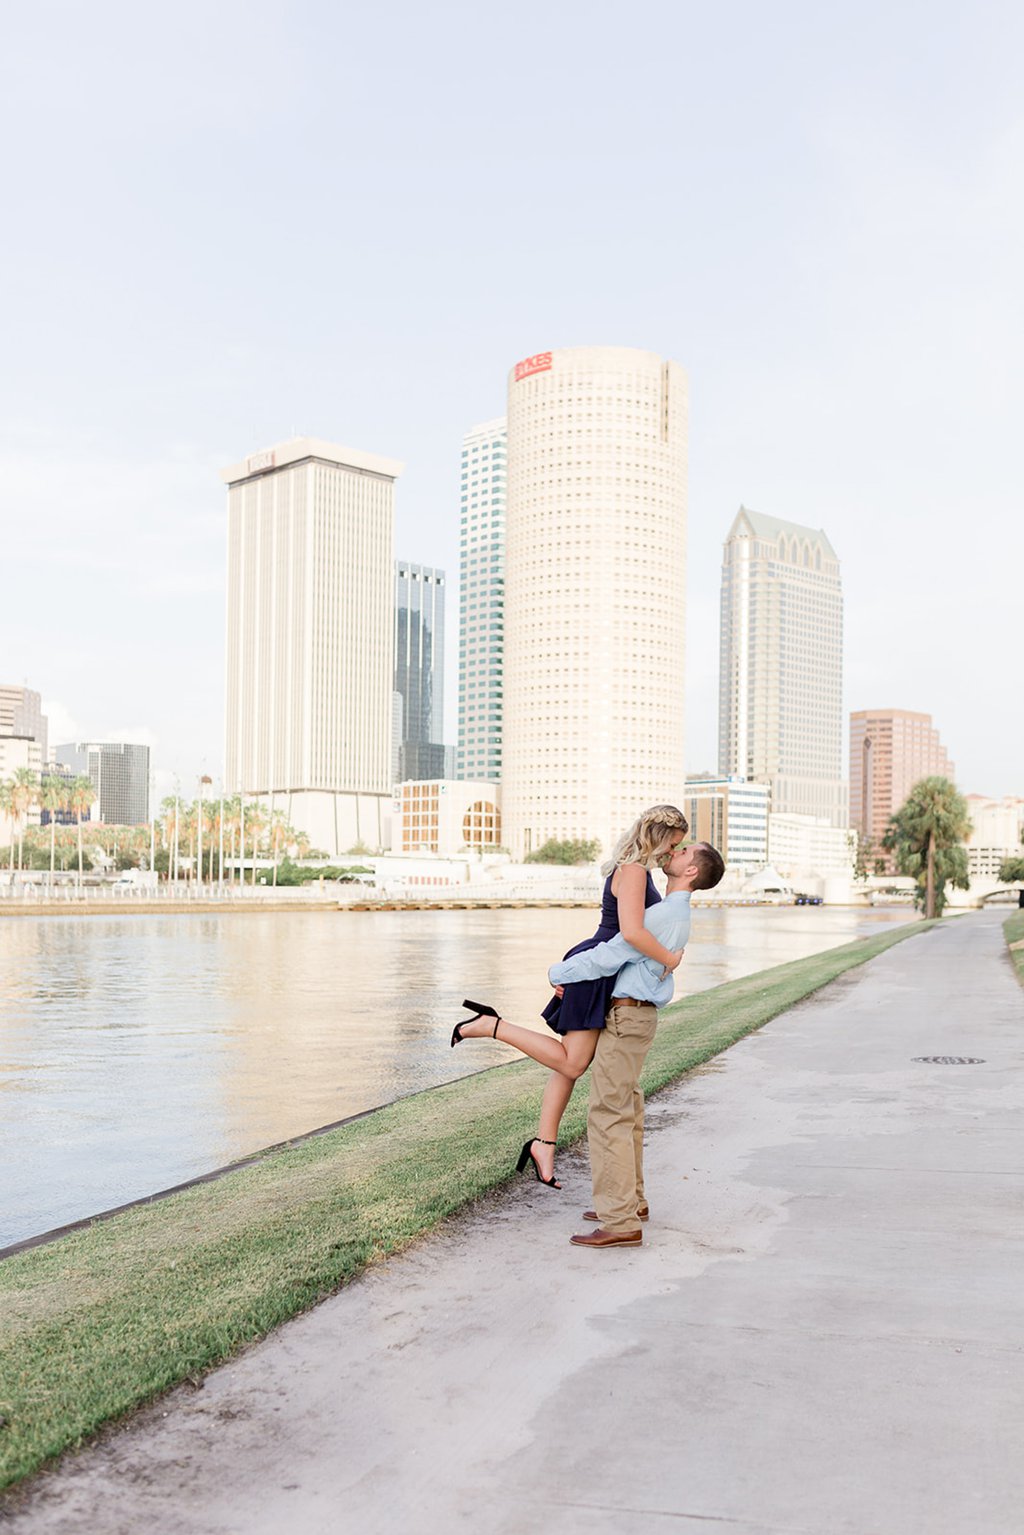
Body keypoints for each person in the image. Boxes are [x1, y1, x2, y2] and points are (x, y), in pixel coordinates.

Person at [450, 805, 690, 1187]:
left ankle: (543, 1144)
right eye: (673, 845)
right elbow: (630, 932)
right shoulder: (632, 871)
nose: (672, 853)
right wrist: (670, 959)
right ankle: (490, 1026)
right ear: (658, 838)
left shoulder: (634, 870)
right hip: (595, 969)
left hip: (601, 969)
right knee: (572, 1063)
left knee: (568, 1064)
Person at [556, 841, 726, 1249]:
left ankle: (619, 1222)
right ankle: (630, 1202)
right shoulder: (675, 914)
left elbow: (613, 953)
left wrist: (558, 971)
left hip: (627, 1016)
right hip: (636, 1015)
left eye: (685, 851)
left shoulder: (665, 914)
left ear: (691, 872)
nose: (675, 852)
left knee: (608, 1113)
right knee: (626, 1108)